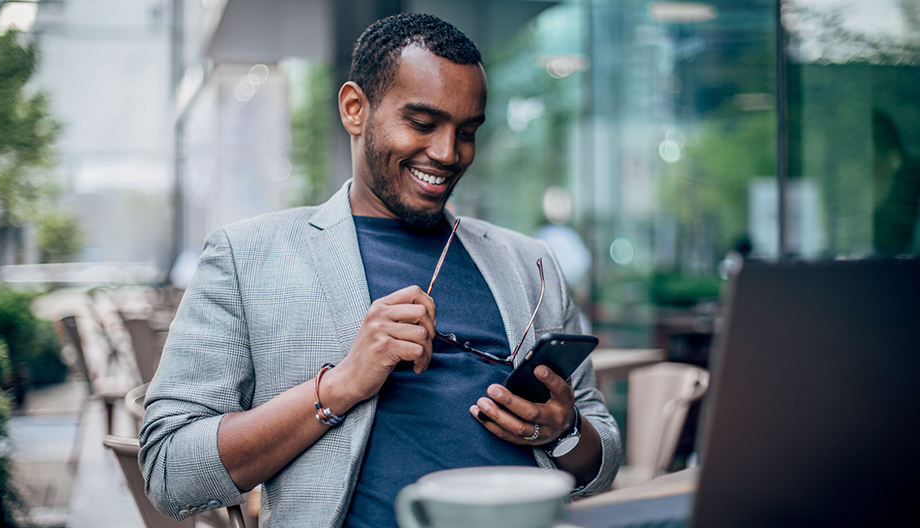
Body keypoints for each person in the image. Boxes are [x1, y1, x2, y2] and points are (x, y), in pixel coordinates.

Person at [140, 13, 621, 528]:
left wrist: (564, 430)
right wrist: (339, 387)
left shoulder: (530, 264)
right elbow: (170, 472)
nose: (446, 153)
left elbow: (604, 455)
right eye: (421, 123)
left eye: (467, 131)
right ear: (354, 109)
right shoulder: (247, 257)